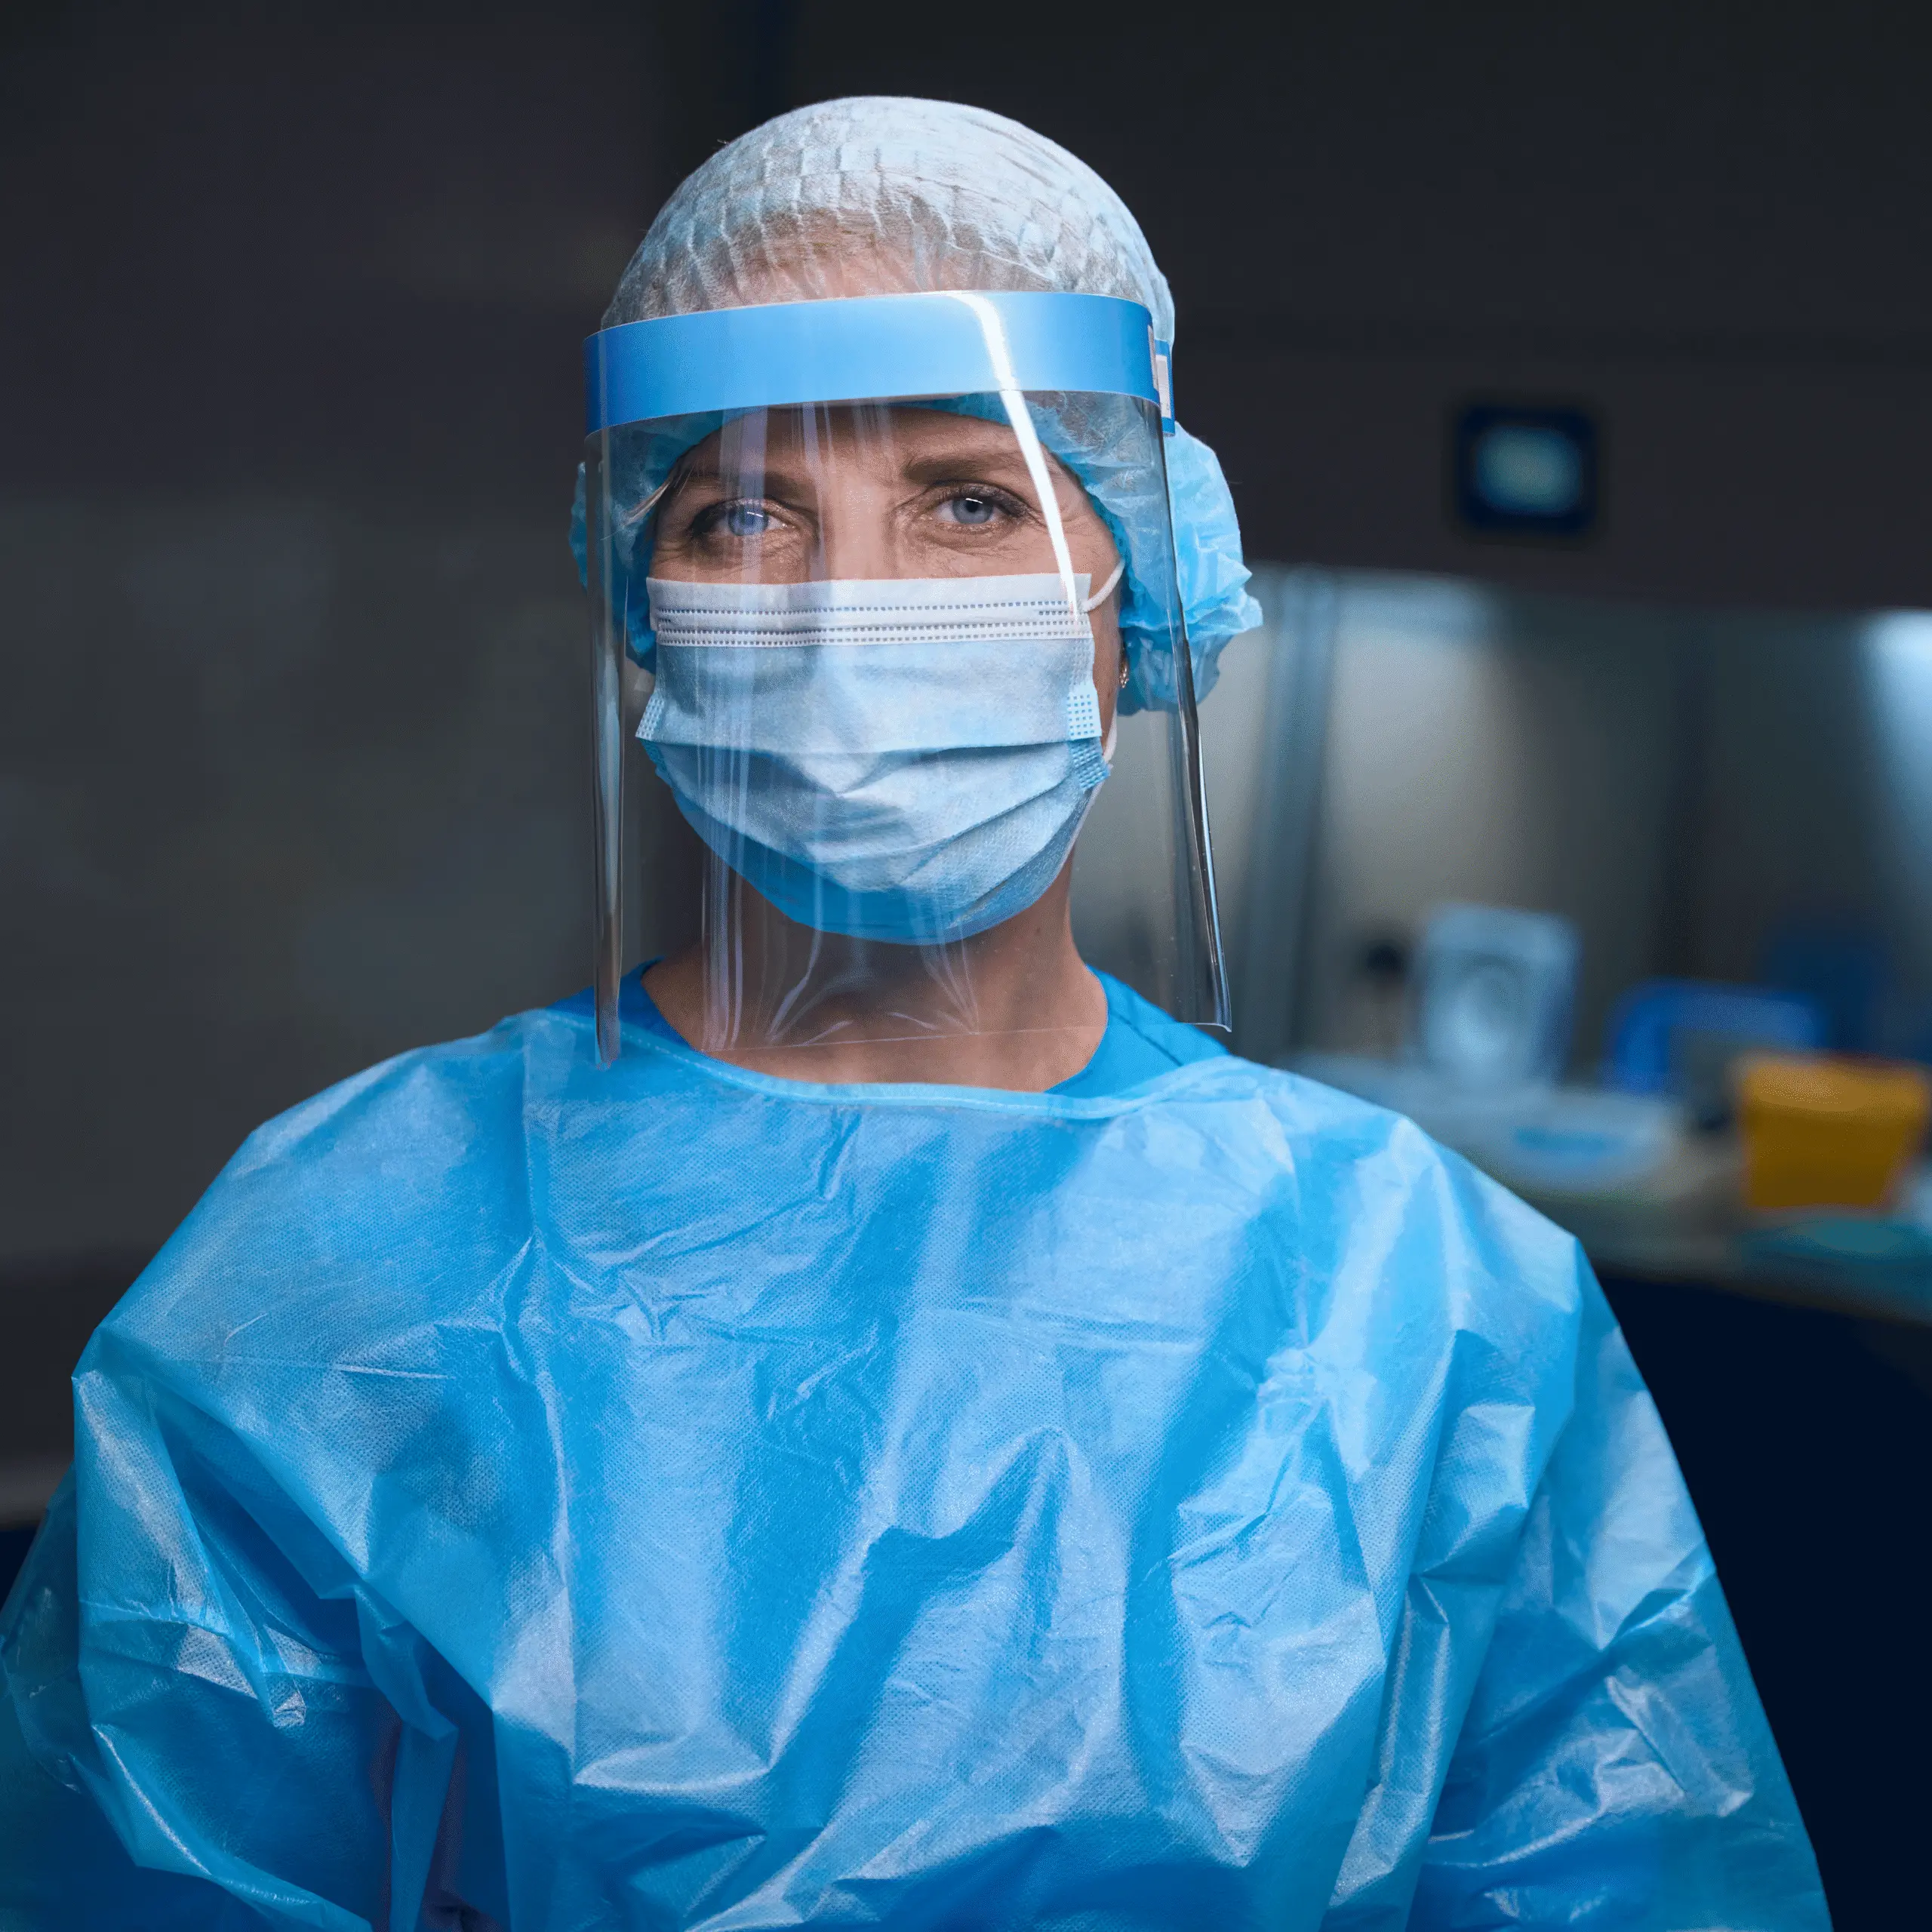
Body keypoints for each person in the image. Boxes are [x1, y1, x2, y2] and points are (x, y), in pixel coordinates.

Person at [0, 97, 1826, 1930]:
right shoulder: (336, 1267)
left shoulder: (1423, 1299)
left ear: (1149, 583)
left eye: (964, 501)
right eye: (745, 511)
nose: (844, 612)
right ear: (636, 592)